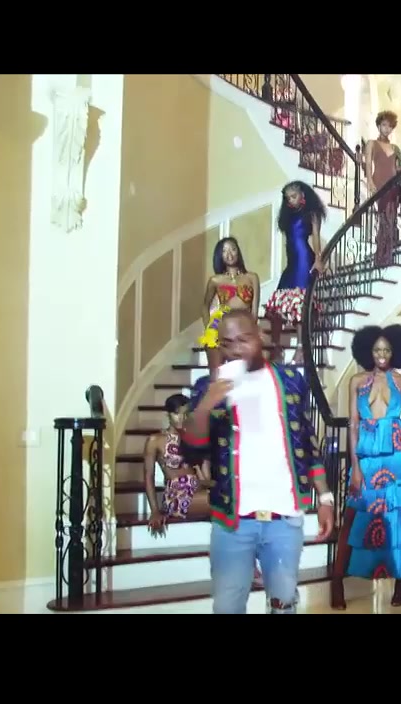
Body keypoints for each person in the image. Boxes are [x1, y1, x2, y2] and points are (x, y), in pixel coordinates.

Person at [179, 309, 335, 614]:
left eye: (243, 339)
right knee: (227, 607)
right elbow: (192, 447)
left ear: (260, 336)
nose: (236, 349)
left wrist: (325, 498)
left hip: (284, 518)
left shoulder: (291, 381)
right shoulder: (209, 386)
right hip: (232, 521)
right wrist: (207, 404)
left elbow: (307, 442)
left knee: (283, 603)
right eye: (227, 343)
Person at [331, 324, 401, 610]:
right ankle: (337, 582)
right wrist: (355, 468)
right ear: (368, 351)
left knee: (400, 519)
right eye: (376, 350)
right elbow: (353, 425)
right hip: (367, 460)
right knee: (352, 519)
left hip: (398, 458)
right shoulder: (357, 381)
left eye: (386, 350)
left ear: (395, 352)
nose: (382, 354)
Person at [264, 181, 328, 364]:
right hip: (292, 262)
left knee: (300, 304)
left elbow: (315, 237)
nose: (291, 200)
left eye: (294, 196)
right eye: (288, 198)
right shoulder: (288, 215)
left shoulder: (312, 213)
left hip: (304, 260)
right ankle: (276, 348)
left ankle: (301, 348)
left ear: (302, 195)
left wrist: (318, 259)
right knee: (276, 305)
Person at [143, 394, 211, 536]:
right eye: (176, 413)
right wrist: (155, 510)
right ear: (167, 414)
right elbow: (148, 477)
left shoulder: (194, 439)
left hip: (199, 491)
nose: (181, 418)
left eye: (185, 414)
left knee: (227, 496)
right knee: (219, 501)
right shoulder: (155, 440)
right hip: (177, 496)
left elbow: (205, 477)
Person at [362, 111, 401, 268]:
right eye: (384, 125)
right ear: (379, 125)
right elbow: (368, 165)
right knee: (385, 217)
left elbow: (396, 168)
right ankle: (382, 258)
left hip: (394, 185)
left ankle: (387, 254)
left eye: (390, 126)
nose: (387, 129)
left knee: (391, 218)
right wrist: (370, 182)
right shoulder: (372, 143)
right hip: (380, 183)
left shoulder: (394, 147)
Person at [197, 237, 260, 373]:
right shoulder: (215, 280)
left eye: (233, 249)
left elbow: (254, 311)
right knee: (215, 363)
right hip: (221, 322)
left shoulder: (252, 277)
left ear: (238, 252)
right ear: (220, 255)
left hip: (243, 323)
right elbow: (204, 307)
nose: (229, 254)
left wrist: (251, 327)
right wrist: (209, 327)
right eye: (224, 251)